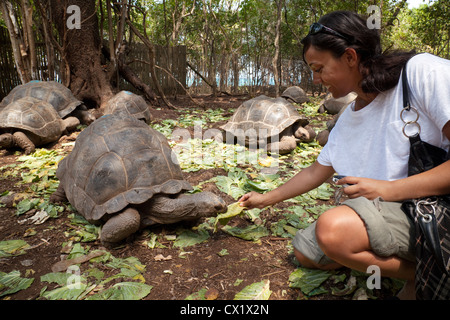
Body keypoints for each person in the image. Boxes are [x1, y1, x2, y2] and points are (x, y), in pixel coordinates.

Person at [238, 10, 450, 299]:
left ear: (350, 57)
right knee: (305, 252)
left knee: (332, 231)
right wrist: (264, 199)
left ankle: (423, 275)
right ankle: (412, 265)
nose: (315, 79)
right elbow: (316, 171)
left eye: (319, 68)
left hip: (433, 212)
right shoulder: (349, 117)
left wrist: (388, 189)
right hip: (393, 214)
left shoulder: (421, 74)